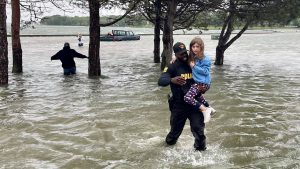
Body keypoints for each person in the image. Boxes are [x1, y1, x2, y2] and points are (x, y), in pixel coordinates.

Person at [158, 42, 209, 151]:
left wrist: (205, 88)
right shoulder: (172, 66)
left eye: (185, 52)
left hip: (194, 105)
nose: (184, 55)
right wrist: (172, 80)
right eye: (181, 54)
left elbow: (206, 75)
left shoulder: (193, 63)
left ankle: (201, 155)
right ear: (175, 54)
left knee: (199, 131)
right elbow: (161, 80)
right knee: (174, 134)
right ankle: (166, 150)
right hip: (179, 106)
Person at [184, 37, 214, 123]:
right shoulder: (193, 56)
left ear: (201, 47)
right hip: (198, 83)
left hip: (203, 84)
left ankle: (205, 110)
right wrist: (174, 58)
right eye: (193, 47)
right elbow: (184, 55)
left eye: (197, 47)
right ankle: (209, 108)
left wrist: (194, 66)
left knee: (188, 97)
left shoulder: (205, 58)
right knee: (198, 96)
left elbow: (206, 71)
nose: (195, 49)